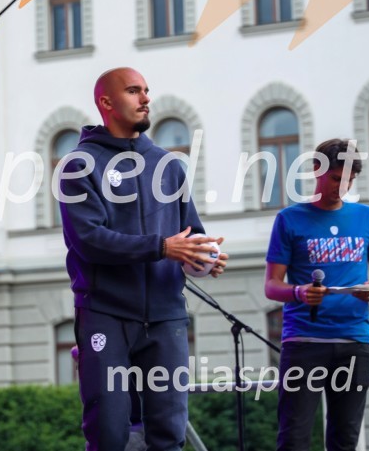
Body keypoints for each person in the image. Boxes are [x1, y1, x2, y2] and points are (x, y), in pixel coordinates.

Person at [59, 67, 227, 450]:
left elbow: (190, 231)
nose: (146, 98)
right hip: (106, 313)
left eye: (147, 90)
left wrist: (204, 255)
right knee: (109, 432)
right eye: (134, 91)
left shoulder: (168, 165)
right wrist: (163, 248)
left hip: (167, 313)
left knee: (169, 432)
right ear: (106, 102)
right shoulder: (78, 165)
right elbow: (89, 240)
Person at [264, 139, 369, 450]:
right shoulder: (289, 219)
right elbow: (271, 286)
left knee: (344, 439)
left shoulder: (368, 217)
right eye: (336, 178)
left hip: (354, 341)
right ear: (317, 170)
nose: (342, 186)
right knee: (294, 438)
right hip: (304, 342)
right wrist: (299, 292)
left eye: (349, 179)